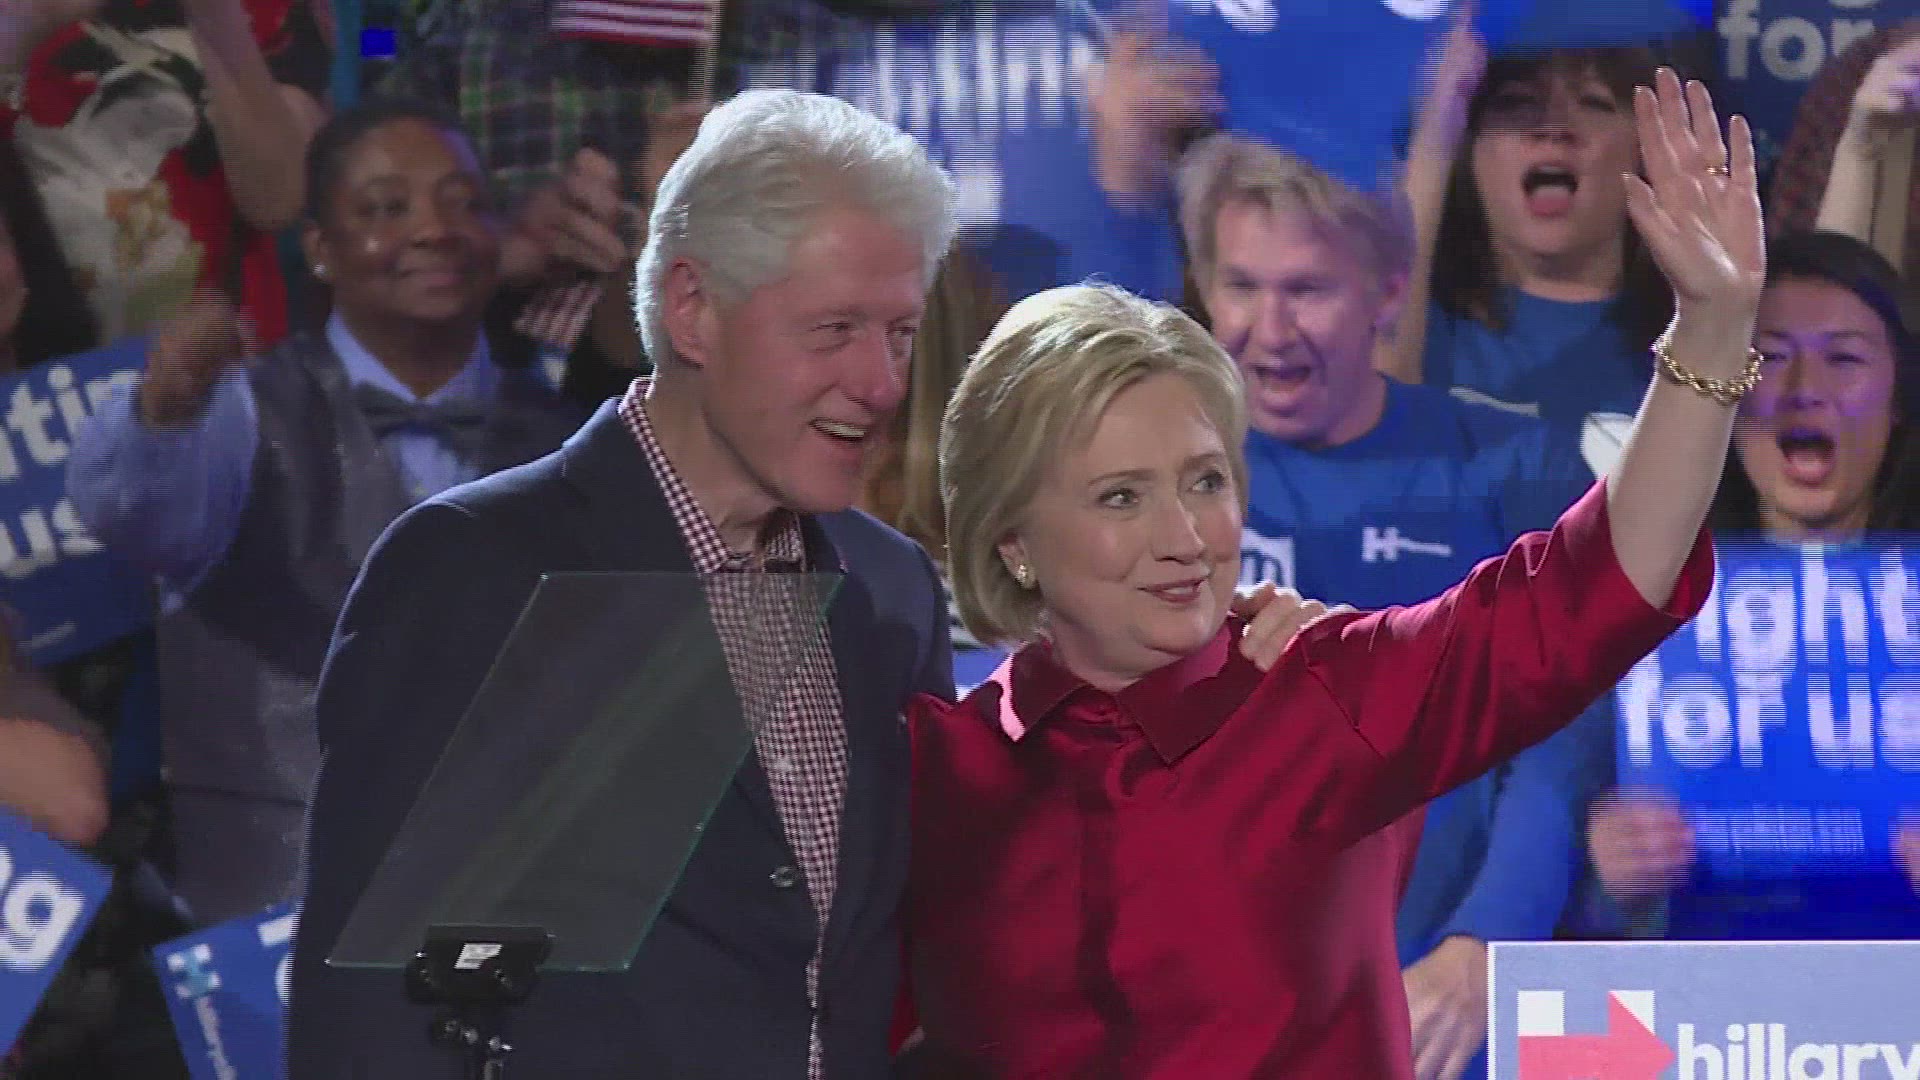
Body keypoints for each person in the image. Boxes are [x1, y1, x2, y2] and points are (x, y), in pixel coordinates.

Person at [903, 68, 1762, 1078]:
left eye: (1207, 481)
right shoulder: (930, 772)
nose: (1184, 536)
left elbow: (1588, 595)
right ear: (1013, 537)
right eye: (1121, 498)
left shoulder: (1320, 697)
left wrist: (1712, 326)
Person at [67, 98, 584, 928]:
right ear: (318, 247)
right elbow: (123, 508)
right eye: (385, 208)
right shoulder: (236, 413)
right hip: (270, 941)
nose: (434, 230)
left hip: (505, 932)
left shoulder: (572, 441)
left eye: (464, 203)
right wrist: (164, 407)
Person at [1176, 131, 1601, 1080]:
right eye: (1242, 286)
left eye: (1308, 289)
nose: (1270, 329)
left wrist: (1486, 947)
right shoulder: (1150, 481)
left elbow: (1559, 748)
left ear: (1390, 291)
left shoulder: (1513, 468)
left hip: (1439, 1007)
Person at [1585, 229, 1920, 940]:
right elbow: (1546, 840)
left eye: (1844, 359)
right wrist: (1613, 874)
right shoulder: (1641, 595)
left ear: (1899, 399)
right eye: (1770, 358)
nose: (1805, 392)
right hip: (1711, 987)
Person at [1383, 21, 1675, 479]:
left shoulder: (1686, 338)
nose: (1553, 128)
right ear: (1469, 151)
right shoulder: (1416, 327)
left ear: (1644, 150)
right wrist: (1434, 136)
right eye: (1517, 103)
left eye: (1594, 103)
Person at [0, 0, 330, 347]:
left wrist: (215, 17)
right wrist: (24, 29)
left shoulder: (255, 14)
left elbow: (277, 203)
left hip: (225, 344)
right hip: (53, 359)